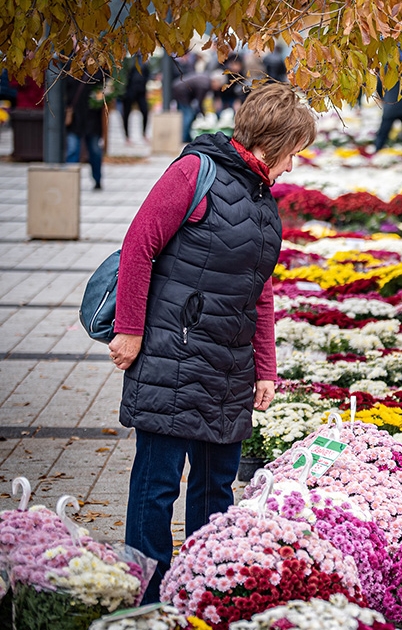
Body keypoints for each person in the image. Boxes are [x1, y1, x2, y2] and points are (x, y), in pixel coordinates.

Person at [109, 83, 316, 603]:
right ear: (273, 144)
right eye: (294, 153)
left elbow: (260, 287)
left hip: (228, 363)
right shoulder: (193, 173)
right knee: (157, 486)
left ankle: (204, 590)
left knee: (215, 489)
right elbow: (139, 246)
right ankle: (150, 598)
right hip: (172, 355)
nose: (294, 166)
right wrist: (129, 329)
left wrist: (265, 367)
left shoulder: (261, 196)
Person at [64, 70, 106, 190]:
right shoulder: (69, 65)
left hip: (92, 118)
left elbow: (106, 85)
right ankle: (70, 181)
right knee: (72, 150)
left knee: (95, 151)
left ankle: (97, 179)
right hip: (75, 118)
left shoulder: (98, 68)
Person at [173, 72, 224, 142]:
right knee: (188, 116)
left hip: (179, 89)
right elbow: (199, 102)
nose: (218, 88)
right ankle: (183, 139)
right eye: (218, 86)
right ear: (215, 81)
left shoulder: (206, 81)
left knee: (184, 116)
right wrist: (203, 114)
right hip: (182, 93)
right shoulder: (205, 85)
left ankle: (184, 137)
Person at [119, 55, 152, 144]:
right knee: (126, 113)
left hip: (140, 91)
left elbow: (148, 74)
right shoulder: (128, 60)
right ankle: (127, 136)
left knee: (145, 112)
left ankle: (144, 133)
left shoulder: (144, 60)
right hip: (129, 91)